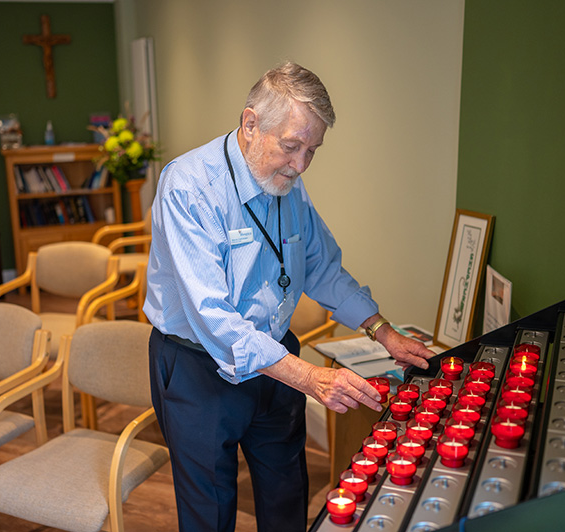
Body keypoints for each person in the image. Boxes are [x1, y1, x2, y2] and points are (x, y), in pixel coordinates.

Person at [144, 62, 435, 532]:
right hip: (198, 368)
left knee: (285, 493)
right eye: (292, 146)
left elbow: (321, 268)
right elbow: (212, 316)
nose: (300, 165)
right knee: (209, 512)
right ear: (250, 123)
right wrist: (310, 379)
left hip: (277, 361)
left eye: (312, 151)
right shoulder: (188, 186)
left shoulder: (287, 185)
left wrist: (382, 331)